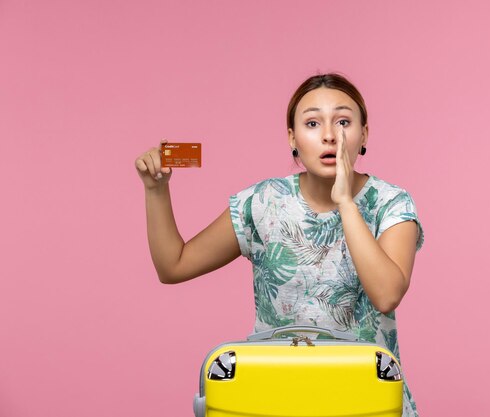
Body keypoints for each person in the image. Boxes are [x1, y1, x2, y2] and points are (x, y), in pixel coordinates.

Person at [135, 73, 425, 417]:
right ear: (293, 137)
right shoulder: (263, 202)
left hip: (368, 402)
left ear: (364, 133)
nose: (330, 136)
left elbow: (387, 293)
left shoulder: (391, 203)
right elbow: (174, 266)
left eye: (344, 121)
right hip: (274, 399)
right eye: (313, 123)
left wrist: (346, 202)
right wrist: (155, 190)